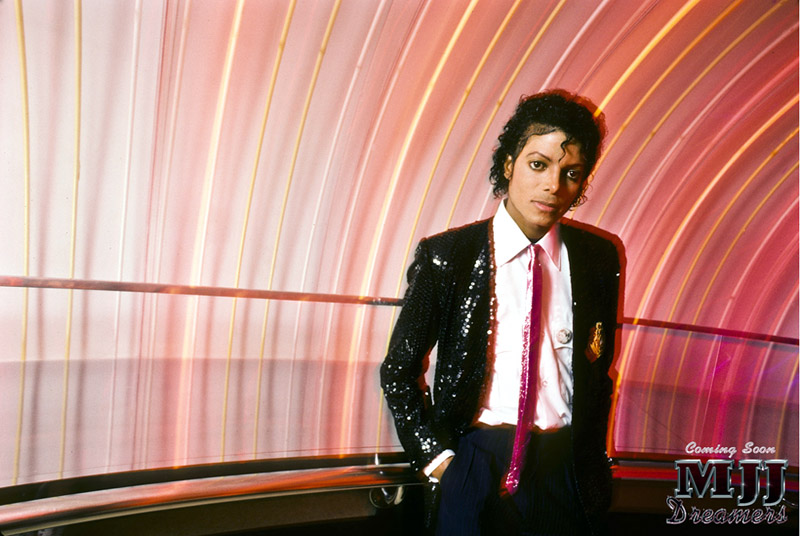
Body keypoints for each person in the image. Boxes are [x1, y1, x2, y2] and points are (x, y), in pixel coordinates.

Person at [380, 90, 624, 535]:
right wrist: (439, 461)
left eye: (571, 173)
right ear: (509, 164)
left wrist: (591, 463)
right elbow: (398, 371)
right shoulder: (448, 256)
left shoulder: (599, 258)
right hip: (474, 457)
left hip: (561, 464)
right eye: (538, 164)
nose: (553, 186)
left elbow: (598, 372)